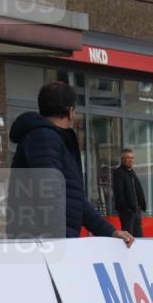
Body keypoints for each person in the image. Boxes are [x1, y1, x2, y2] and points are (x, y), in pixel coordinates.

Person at [8, 82, 134, 246]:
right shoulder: (44, 138)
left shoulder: (55, 139)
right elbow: (50, 196)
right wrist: (63, 242)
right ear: (70, 111)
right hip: (45, 245)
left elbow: (75, 200)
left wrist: (110, 231)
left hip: (51, 242)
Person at [112, 148, 147, 237]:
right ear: (122, 159)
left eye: (132, 158)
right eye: (128, 158)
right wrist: (127, 208)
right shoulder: (119, 173)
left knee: (139, 237)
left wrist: (141, 205)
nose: (130, 160)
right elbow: (118, 193)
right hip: (127, 211)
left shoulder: (131, 172)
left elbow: (136, 189)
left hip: (136, 210)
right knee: (128, 237)